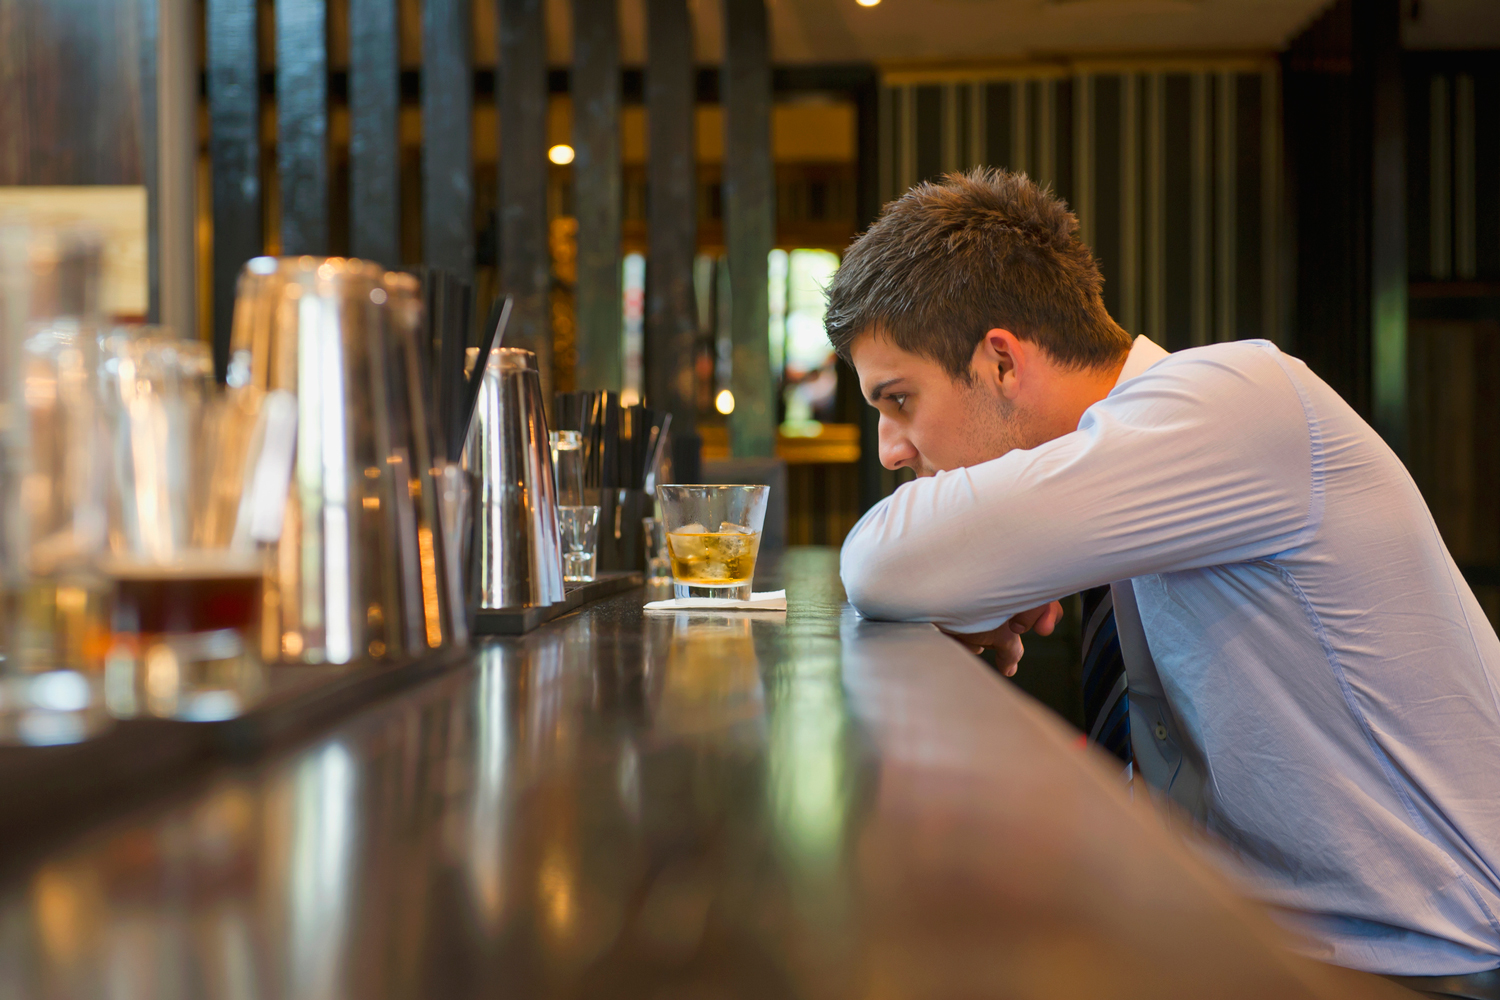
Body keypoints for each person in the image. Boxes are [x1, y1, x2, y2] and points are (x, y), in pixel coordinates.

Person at [831, 167, 1500, 988]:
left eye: (898, 400)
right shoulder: (1134, 470)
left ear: (1001, 362)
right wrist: (993, 567)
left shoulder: (1235, 399)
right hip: (1266, 944)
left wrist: (972, 562)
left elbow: (877, 558)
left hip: (1432, 961)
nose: (891, 450)